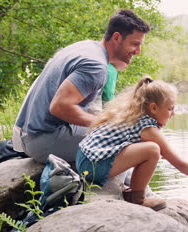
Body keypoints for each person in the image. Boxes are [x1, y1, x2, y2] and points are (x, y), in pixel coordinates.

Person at [12, 9, 150, 163]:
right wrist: (106, 123)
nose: (138, 52)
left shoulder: (86, 47)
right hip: (42, 140)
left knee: (123, 131)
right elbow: (59, 107)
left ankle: (123, 182)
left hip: (25, 135)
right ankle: (122, 187)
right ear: (117, 37)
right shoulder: (95, 66)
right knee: (134, 141)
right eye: (135, 44)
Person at [76, 76, 188, 211]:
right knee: (152, 150)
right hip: (92, 167)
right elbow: (180, 164)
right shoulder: (148, 129)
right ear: (153, 108)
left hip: (83, 158)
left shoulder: (133, 114)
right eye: (170, 109)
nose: (173, 113)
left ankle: (132, 191)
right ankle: (139, 200)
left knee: (150, 150)